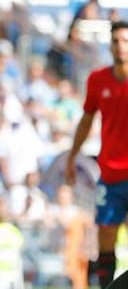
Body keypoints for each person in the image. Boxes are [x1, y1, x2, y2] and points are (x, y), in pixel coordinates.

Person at [66, 21, 128, 289]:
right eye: (116, 41)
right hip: (111, 175)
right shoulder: (97, 80)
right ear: (110, 45)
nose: (120, 47)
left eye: (125, 41)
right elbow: (86, 120)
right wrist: (72, 156)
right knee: (105, 240)